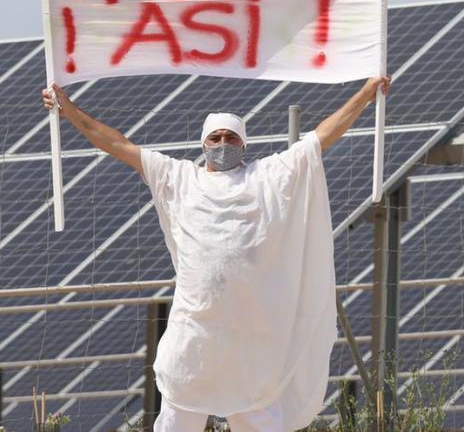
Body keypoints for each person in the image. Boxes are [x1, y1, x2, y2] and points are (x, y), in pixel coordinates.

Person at [42, 76, 390, 431]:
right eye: (216, 138)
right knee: (179, 416)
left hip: (251, 341)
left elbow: (321, 137)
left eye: (231, 138)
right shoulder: (177, 178)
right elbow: (116, 142)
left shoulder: (267, 177)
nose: (223, 144)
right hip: (195, 336)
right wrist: (68, 110)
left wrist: (366, 93)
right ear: (203, 143)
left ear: (243, 143)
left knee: (257, 417)